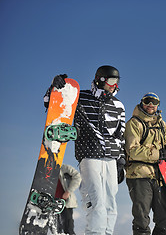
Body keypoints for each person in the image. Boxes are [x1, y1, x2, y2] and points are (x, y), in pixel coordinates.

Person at [44, 65, 126, 235]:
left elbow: (120, 135)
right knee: (96, 200)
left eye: (117, 82)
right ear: (100, 79)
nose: (114, 85)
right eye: (111, 81)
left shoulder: (118, 105)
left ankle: (107, 233)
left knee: (111, 203)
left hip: (111, 158)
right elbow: (50, 102)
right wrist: (56, 87)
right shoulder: (80, 98)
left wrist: (121, 160)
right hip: (90, 155)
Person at [124, 92, 166, 235]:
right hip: (139, 175)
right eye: (147, 101)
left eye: (154, 102)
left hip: (159, 175)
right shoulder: (134, 123)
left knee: (165, 219)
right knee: (142, 218)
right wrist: (158, 154)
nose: (150, 105)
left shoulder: (161, 124)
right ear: (142, 103)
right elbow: (132, 150)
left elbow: (163, 144)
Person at [55, 164, 82, 235]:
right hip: (52, 203)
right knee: (57, 230)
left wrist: (68, 191)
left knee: (68, 229)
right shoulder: (44, 170)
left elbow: (77, 176)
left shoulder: (63, 168)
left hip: (65, 202)